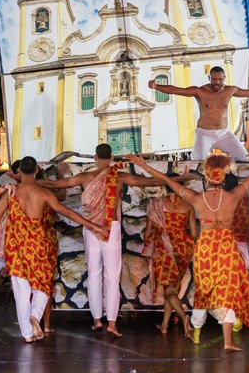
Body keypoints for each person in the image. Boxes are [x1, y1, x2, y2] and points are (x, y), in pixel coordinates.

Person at [129, 150, 249, 351]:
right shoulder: (234, 196)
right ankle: (227, 342)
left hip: (206, 248)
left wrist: (143, 165)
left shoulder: (196, 198)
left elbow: (165, 179)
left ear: (207, 177)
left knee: (204, 290)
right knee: (227, 292)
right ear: (223, 177)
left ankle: (196, 331)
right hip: (226, 247)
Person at [37, 143, 164, 338]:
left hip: (90, 228)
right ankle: (112, 323)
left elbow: (54, 185)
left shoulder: (85, 177)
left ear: (95, 158)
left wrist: (25, 180)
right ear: (111, 157)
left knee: (94, 274)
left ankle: (97, 320)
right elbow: (150, 182)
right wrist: (178, 179)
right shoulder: (119, 177)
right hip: (109, 228)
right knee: (112, 277)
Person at [0, 156, 105, 342]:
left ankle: (28, 334)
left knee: (21, 290)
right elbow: (67, 212)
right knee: (43, 286)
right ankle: (35, 316)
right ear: (36, 171)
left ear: (18, 172)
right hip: (39, 245)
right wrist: (92, 225)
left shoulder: (10, 194)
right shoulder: (45, 193)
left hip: (16, 247)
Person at [148, 66, 249, 160]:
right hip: (204, 134)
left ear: (224, 78)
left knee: (244, 158)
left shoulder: (230, 90)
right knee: (196, 164)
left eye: (220, 79)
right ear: (209, 78)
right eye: (214, 79)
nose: (217, 82)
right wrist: (156, 86)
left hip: (224, 133)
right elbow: (177, 90)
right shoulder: (200, 91)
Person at [143, 178, 196, 336]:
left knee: (167, 288)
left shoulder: (156, 204)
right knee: (170, 288)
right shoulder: (189, 206)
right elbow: (193, 233)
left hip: (164, 249)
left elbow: (147, 232)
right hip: (182, 249)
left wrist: (149, 240)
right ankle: (165, 325)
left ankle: (184, 316)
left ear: (165, 187)